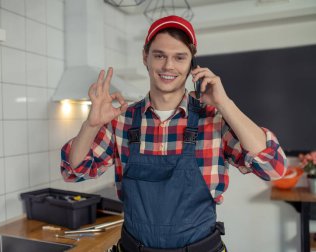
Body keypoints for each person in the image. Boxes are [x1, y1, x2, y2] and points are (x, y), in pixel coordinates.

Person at [60, 15, 287, 252]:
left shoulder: (214, 119)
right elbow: (73, 172)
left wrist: (225, 104)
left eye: (180, 57)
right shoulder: (122, 119)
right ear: (145, 57)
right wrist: (91, 125)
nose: (169, 66)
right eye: (159, 55)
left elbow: (274, 167)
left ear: (191, 63)